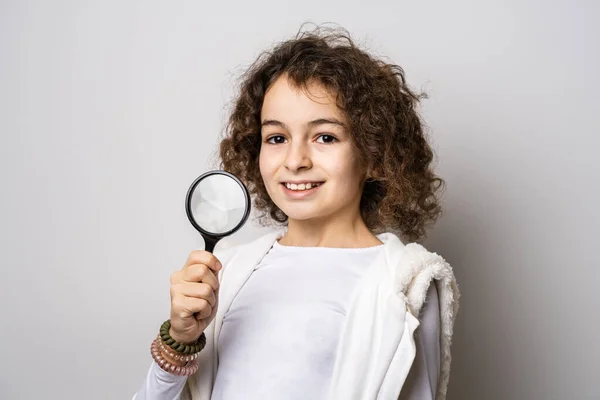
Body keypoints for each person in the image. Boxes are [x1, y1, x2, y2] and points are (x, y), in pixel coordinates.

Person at [134, 25, 459, 400]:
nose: (295, 160)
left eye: (325, 137)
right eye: (277, 137)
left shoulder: (406, 283)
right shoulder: (229, 270)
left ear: (374, 154)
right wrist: (179, 340)